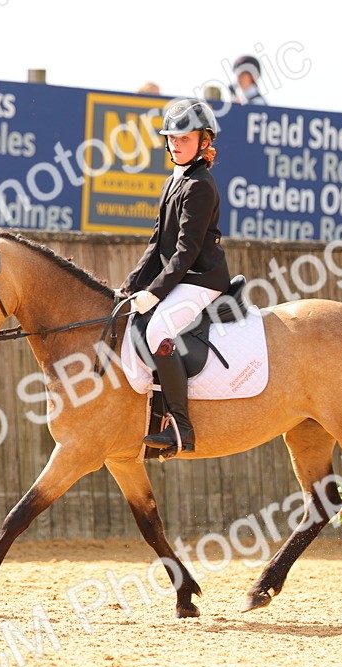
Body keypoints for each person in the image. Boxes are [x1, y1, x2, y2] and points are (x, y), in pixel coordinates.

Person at [121, 99, 232, 455]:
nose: (175, 144)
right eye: (171, 138)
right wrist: (130, 286)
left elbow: (185, 252)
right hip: (182, 277)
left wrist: (153, 293)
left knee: (158, 330)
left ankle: (182, 428)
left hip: (202, 279)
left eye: (184, 138)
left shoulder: (201, 184)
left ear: (204, 141)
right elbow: (158, 244)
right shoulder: (175, 180)